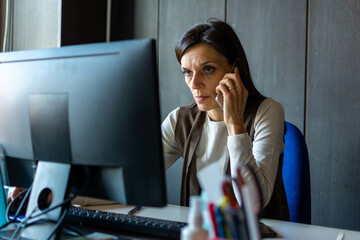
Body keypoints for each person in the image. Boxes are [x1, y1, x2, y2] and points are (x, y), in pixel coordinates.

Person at [161, 19, 289, 220]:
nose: (195, 84)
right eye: (187, 72)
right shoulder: (180, 119)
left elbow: (252, 204)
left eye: (208, 69)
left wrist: (235, 124)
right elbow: (137, 174)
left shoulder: (267, 111)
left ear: (234, 69)